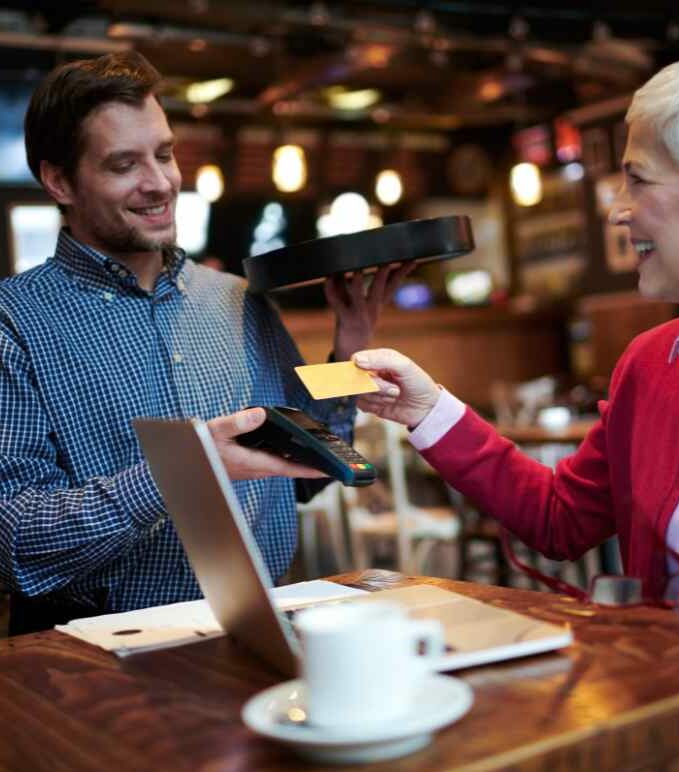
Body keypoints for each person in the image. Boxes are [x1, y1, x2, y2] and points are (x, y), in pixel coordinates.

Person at [353, 49, 679, 635]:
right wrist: (426, 409)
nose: (617, 210)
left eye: (638, 179)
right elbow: (559, 520)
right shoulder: (650, 363)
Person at [0, 51, 407, 634]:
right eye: (123, 165)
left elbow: (308, 472)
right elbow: (12, 539)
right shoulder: (12, 320)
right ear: (60, 181)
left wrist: (349, 347)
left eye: (164, 154)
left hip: (259, 630)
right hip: (99, 656)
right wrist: (187, 471)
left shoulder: (239, 298)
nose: (160, 182)